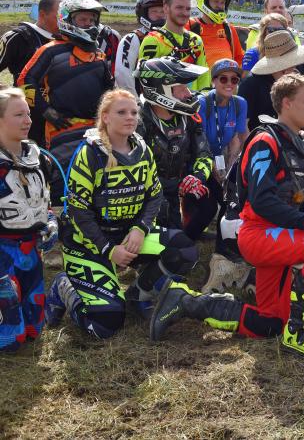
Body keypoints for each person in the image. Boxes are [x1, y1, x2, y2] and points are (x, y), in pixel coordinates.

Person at [150, 75, 304, 358]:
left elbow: (297, 198)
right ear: (286, 103)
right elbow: (262, 201)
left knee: (270, 323)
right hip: (258, 235)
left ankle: (186, 302)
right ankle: (302, 332)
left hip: (280, 238)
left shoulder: (296, 142)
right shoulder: (265, 141)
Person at [45, 89, 200, 338]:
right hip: (89, 245)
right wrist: (109, 250)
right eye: (121, 112)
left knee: (184, 251)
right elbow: (78, 211)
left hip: (128, 236)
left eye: (134, 112)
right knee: (104, 325)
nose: (130, 117)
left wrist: (140, 229)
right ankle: (64, 286)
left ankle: (139, 294)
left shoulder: (142, 150)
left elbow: (154, 195)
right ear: (105, 117)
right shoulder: (89, 154)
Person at [18, 0, 113, 201]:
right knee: (63, 180)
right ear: (67, 19)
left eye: (91, 20)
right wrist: (45, 110)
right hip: (62, 128)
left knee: (98, 181)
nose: (88, 24)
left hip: (96, 129)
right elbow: (25, 81)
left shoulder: (99, 54)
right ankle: (62, 228)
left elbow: (110, 91)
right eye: (82, 19)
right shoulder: (50, 51)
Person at [135, 58, 218, 242]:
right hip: (147, 192)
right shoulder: (137, 121)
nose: (188, 93)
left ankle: (188, 234)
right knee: (166, 224)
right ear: (160, 89)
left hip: (179, 184)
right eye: (181, 88)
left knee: (209, 200)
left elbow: (205, 154)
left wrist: (196, 177)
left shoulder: (188, 117)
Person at [0, 87, 56, 351]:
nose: (28, 121)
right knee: (9, 340)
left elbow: (45, 201)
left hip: (30, 249)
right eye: (19, 114)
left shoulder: (38, 157)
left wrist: (51, 222)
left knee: (34, 327)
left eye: (29, 114)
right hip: (3, 253)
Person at [0, 0, 60, 143]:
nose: (63, 21)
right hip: (27, 116)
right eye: (58, 16)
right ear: (42, 14)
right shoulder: (18, 37)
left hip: (58, 116)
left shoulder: (66, 38)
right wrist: (7, 94)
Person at [238, 30, 304, 130]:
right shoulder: (250, 85)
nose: (293, 67)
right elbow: (243, 127)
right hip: (262, 140)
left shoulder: (299, 80)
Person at [138, 0, 208, 91]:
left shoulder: (196, 40)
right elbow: (146, 80)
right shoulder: (153, 40)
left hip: (194, 102)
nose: (184, 13)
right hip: (164, 105)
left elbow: (204, 76)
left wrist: (204, 100)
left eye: (188, 9)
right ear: (166, 8)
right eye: (179, 7)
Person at [197, 60, 248, 177]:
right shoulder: (203, 103)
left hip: (223, 156)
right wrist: (215, 171)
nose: (229, 83)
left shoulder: (240, 103)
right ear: (213, 81)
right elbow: (201, 142)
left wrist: (230, 169)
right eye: (223, 79)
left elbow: (236, 139)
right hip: (201, 158)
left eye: (234, 79)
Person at [115, 0, 165, 95]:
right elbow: (123, 74)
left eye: (163, 11)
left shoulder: (174, 37)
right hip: (141, 101)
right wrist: (135, 102)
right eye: (154, 11)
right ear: (144, 13)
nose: (160, 15)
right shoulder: (133, 38)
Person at [188, 0, 244, 68]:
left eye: (222, 2)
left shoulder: (228, 28)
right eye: (216, 1)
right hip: (199, 81)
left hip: (225, 80)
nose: (220, 6)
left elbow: (239, 58)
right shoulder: (190, 26)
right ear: (205, 1)